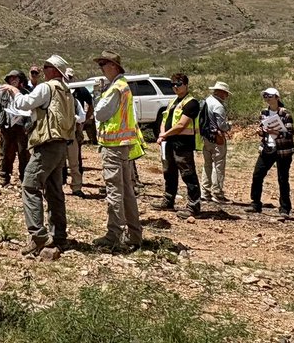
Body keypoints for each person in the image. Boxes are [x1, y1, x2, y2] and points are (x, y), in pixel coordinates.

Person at [6, 54, 74, 255]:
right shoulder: (66, 90)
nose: (43, 70)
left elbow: (25, 104)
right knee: (54, 190)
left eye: (46, 66)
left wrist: (15, 91)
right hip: (61, 144)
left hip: (46, 144)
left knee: (30, 185)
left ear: (54, 70)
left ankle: (38, 236)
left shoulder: (47, 87)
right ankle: (59, 235)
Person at [92, 52, 143, 251]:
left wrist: (98, 95)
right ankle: (134, 234)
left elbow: (100, 112)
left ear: (113, 66)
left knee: (115, 191)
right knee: (127, 192)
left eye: (103, 64)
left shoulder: (116, 88)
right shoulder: (123, 87)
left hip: (113, 146)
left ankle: (114, 235)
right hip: (123, 145)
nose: (101, 68)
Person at [154, 73, 203, 215]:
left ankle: (194, 206)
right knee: (169, 172)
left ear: (186, 85)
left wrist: (165, 134)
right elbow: (165, 119)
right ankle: (168, 200)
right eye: (173, 84)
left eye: (178, 84)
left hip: (183, 144)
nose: (175, 87)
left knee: (188, 174)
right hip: (169, 143)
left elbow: (182, 124)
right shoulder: (173, 102)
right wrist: (162, 135)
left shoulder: (191, 103)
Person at [250, 87, 294, 216]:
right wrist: (261, 132)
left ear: (277, 97)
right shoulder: (264, 112)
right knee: (257, 175)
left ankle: (285, 208)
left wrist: (275, 132)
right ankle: (255, 203)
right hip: (267, 148)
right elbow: (263, 129)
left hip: (283, 151)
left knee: (282, 178)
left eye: (270, 96)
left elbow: (289, 134)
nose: (267, 98)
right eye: (265, 96)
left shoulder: (285, 114)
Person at [0, 70, 29, 187]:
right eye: (11, 78)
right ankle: (4, 177)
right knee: (6, 153)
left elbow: (31, 112)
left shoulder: (25, 94)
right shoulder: (3, 94)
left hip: (21, 128)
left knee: (23, 153)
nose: (13, 80)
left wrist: (28, 127)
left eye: (16, 78)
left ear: (20, 80)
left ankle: (24, 178)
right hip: (6, 127)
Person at [201, 81, 232, 203]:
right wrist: (229, 126)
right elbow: (222, 126)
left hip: (206, 137)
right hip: (217, 138)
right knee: (218, 165)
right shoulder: (218, 106)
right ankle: (217, 192)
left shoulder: (206, 101)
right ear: (221, 92)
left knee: (207, 164)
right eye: (225, 93)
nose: (226, 96)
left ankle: (205, 192)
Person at [59, 64, 87, 198]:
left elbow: (82, 117)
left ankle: (76, 187)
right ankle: (58, 187)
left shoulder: (75, 101)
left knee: (74, 164)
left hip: (71, 136)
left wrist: (72, 118)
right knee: (58, 164)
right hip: (59, 136)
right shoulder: (56, 99)